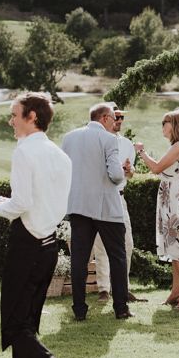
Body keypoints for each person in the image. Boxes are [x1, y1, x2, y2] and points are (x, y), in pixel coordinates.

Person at [0, 92, 91, 358]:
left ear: (32, 116)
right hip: (50, 244)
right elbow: (56, 202)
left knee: (15, 325)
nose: (11, 120)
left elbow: (19, 203)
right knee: (28, 323)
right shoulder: (59, 155)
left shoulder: (24, 151)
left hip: (27, 243)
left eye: (14, 114)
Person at [62, 102, 131, 321]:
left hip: (78, 206)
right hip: (105, 207)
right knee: (118, 257)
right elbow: (116, 176)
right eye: (113, 118)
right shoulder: (109, 140)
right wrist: (124, 169)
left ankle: (79, 310)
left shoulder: (69, 138)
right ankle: (121, 308)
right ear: (103, 118)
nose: (115, 123)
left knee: (79, 259)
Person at [135, 108, 179, 310]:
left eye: (166, 122)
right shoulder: (176, 146)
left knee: (178, 246)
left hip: (176, 201)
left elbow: (156, 168)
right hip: (172, 198)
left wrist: (140, 151)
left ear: (175, 126)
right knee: (174, 247)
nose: (163, 126)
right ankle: (177, 290)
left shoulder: (178, 147)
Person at [91, 107, 138, 303]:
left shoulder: (127, 144)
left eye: (122, 117)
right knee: (101, 244)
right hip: (101, 196)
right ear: (107, 118)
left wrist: (129, 170)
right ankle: (104, 289)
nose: (119, 120)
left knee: (127, 243)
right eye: (116, 117)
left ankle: (123, 287)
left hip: (120, 196)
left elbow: (130, 173)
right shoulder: (97, 140)